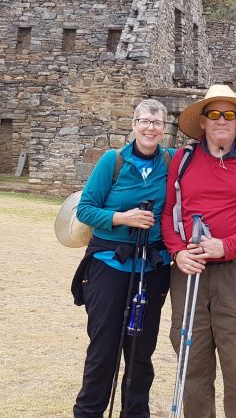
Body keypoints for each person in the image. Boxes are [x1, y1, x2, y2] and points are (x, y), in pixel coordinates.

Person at [161, 84, 236, 418]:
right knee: (192, 365)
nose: (221, 120)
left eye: (229, 114)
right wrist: (176, 253)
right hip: (189, 273)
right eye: (213, 114)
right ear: (202, 121)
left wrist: (225, 247)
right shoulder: (183, 161)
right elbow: (168, 215)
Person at [72, 99, 174, 418]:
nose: (150, 128)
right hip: (109, 265)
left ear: (164, 129)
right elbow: (85, 209)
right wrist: (122, 218)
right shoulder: (112, 161)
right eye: (144, 121)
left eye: (157, 123)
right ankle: (88, 413)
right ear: (133, 124)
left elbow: (209, 164)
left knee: (140, 352)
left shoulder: (171, 161)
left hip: (152, 267)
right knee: (104, 350)